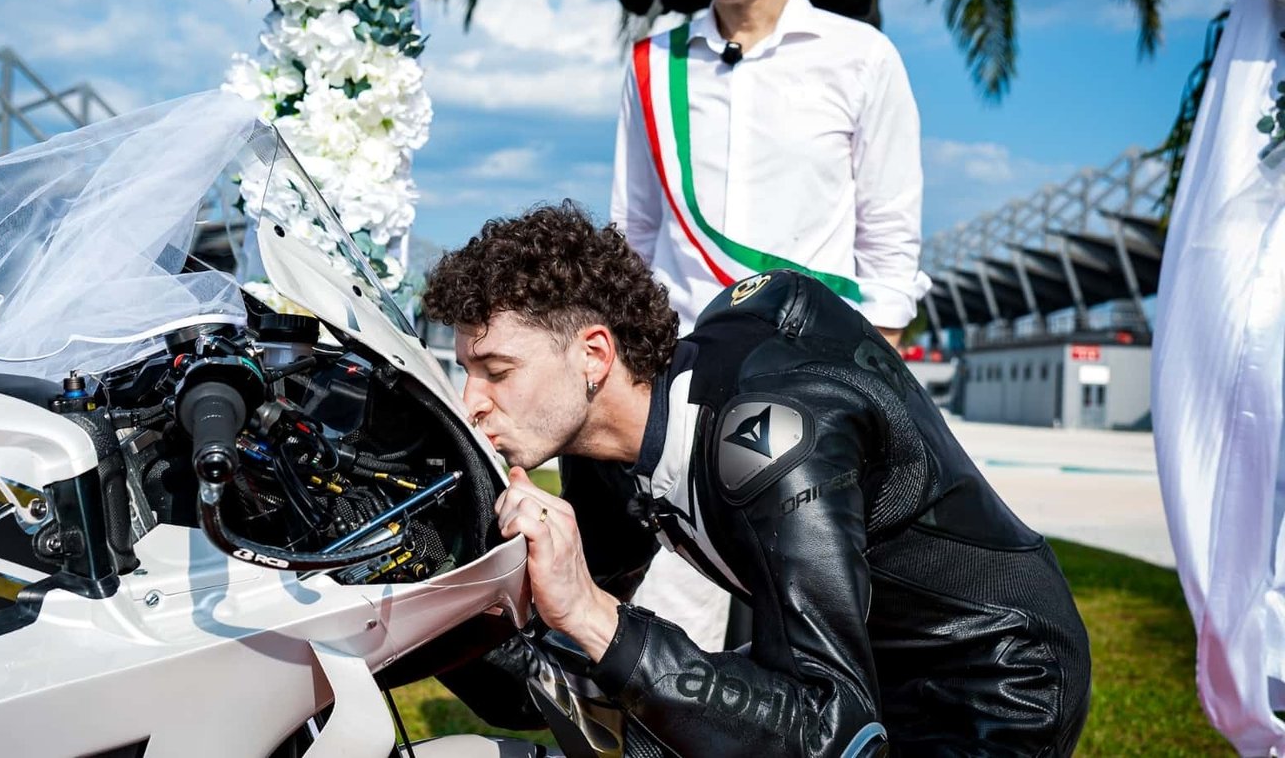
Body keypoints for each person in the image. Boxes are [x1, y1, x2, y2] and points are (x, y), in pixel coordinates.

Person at [422, 203, 1090, 757]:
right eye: (466, 371)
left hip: (988, 684)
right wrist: (426, 578)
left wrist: (595, 615)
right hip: (860, 670)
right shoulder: (604, 453)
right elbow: (547, 682)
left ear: (594, 354)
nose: (471, 401)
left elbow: (832, 730)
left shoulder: (767, 438)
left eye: (497, 371)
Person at [612, 0, 933, 655]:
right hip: (685, 380)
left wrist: (871, 379)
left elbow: (889, 234)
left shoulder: (859, 57)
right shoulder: (653, 63)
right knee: (673, 633)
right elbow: (634, 231)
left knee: (819, 625)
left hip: (815, 378)